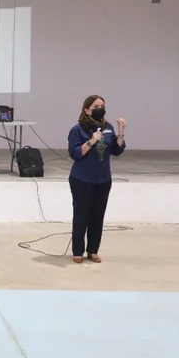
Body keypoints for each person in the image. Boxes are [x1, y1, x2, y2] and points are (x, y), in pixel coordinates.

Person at [67, 95, 127, 263]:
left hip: (102, 179)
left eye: (102, 105)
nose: (100, 108)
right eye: (96, 106)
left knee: (97, 215)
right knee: (81, 215)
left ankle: (93, 250)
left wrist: (121, 133)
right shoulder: (77, 130)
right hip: (82, 179)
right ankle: (77, 251)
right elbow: (75, 153)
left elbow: (116, 150)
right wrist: (92, 141)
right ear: (87, 110)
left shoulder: (107, 127)